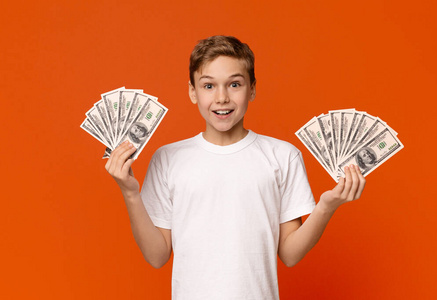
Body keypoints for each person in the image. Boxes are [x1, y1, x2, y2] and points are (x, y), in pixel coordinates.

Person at [105, 35, 366, 300]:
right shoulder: (168, 159)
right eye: (208, 85)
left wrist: (325, 207)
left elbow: (290, 254)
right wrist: (130, 193)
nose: (221, 97)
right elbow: (157, 256)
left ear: (252, 89)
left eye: (234, 84)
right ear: (192, 91)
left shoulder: (282, 156)